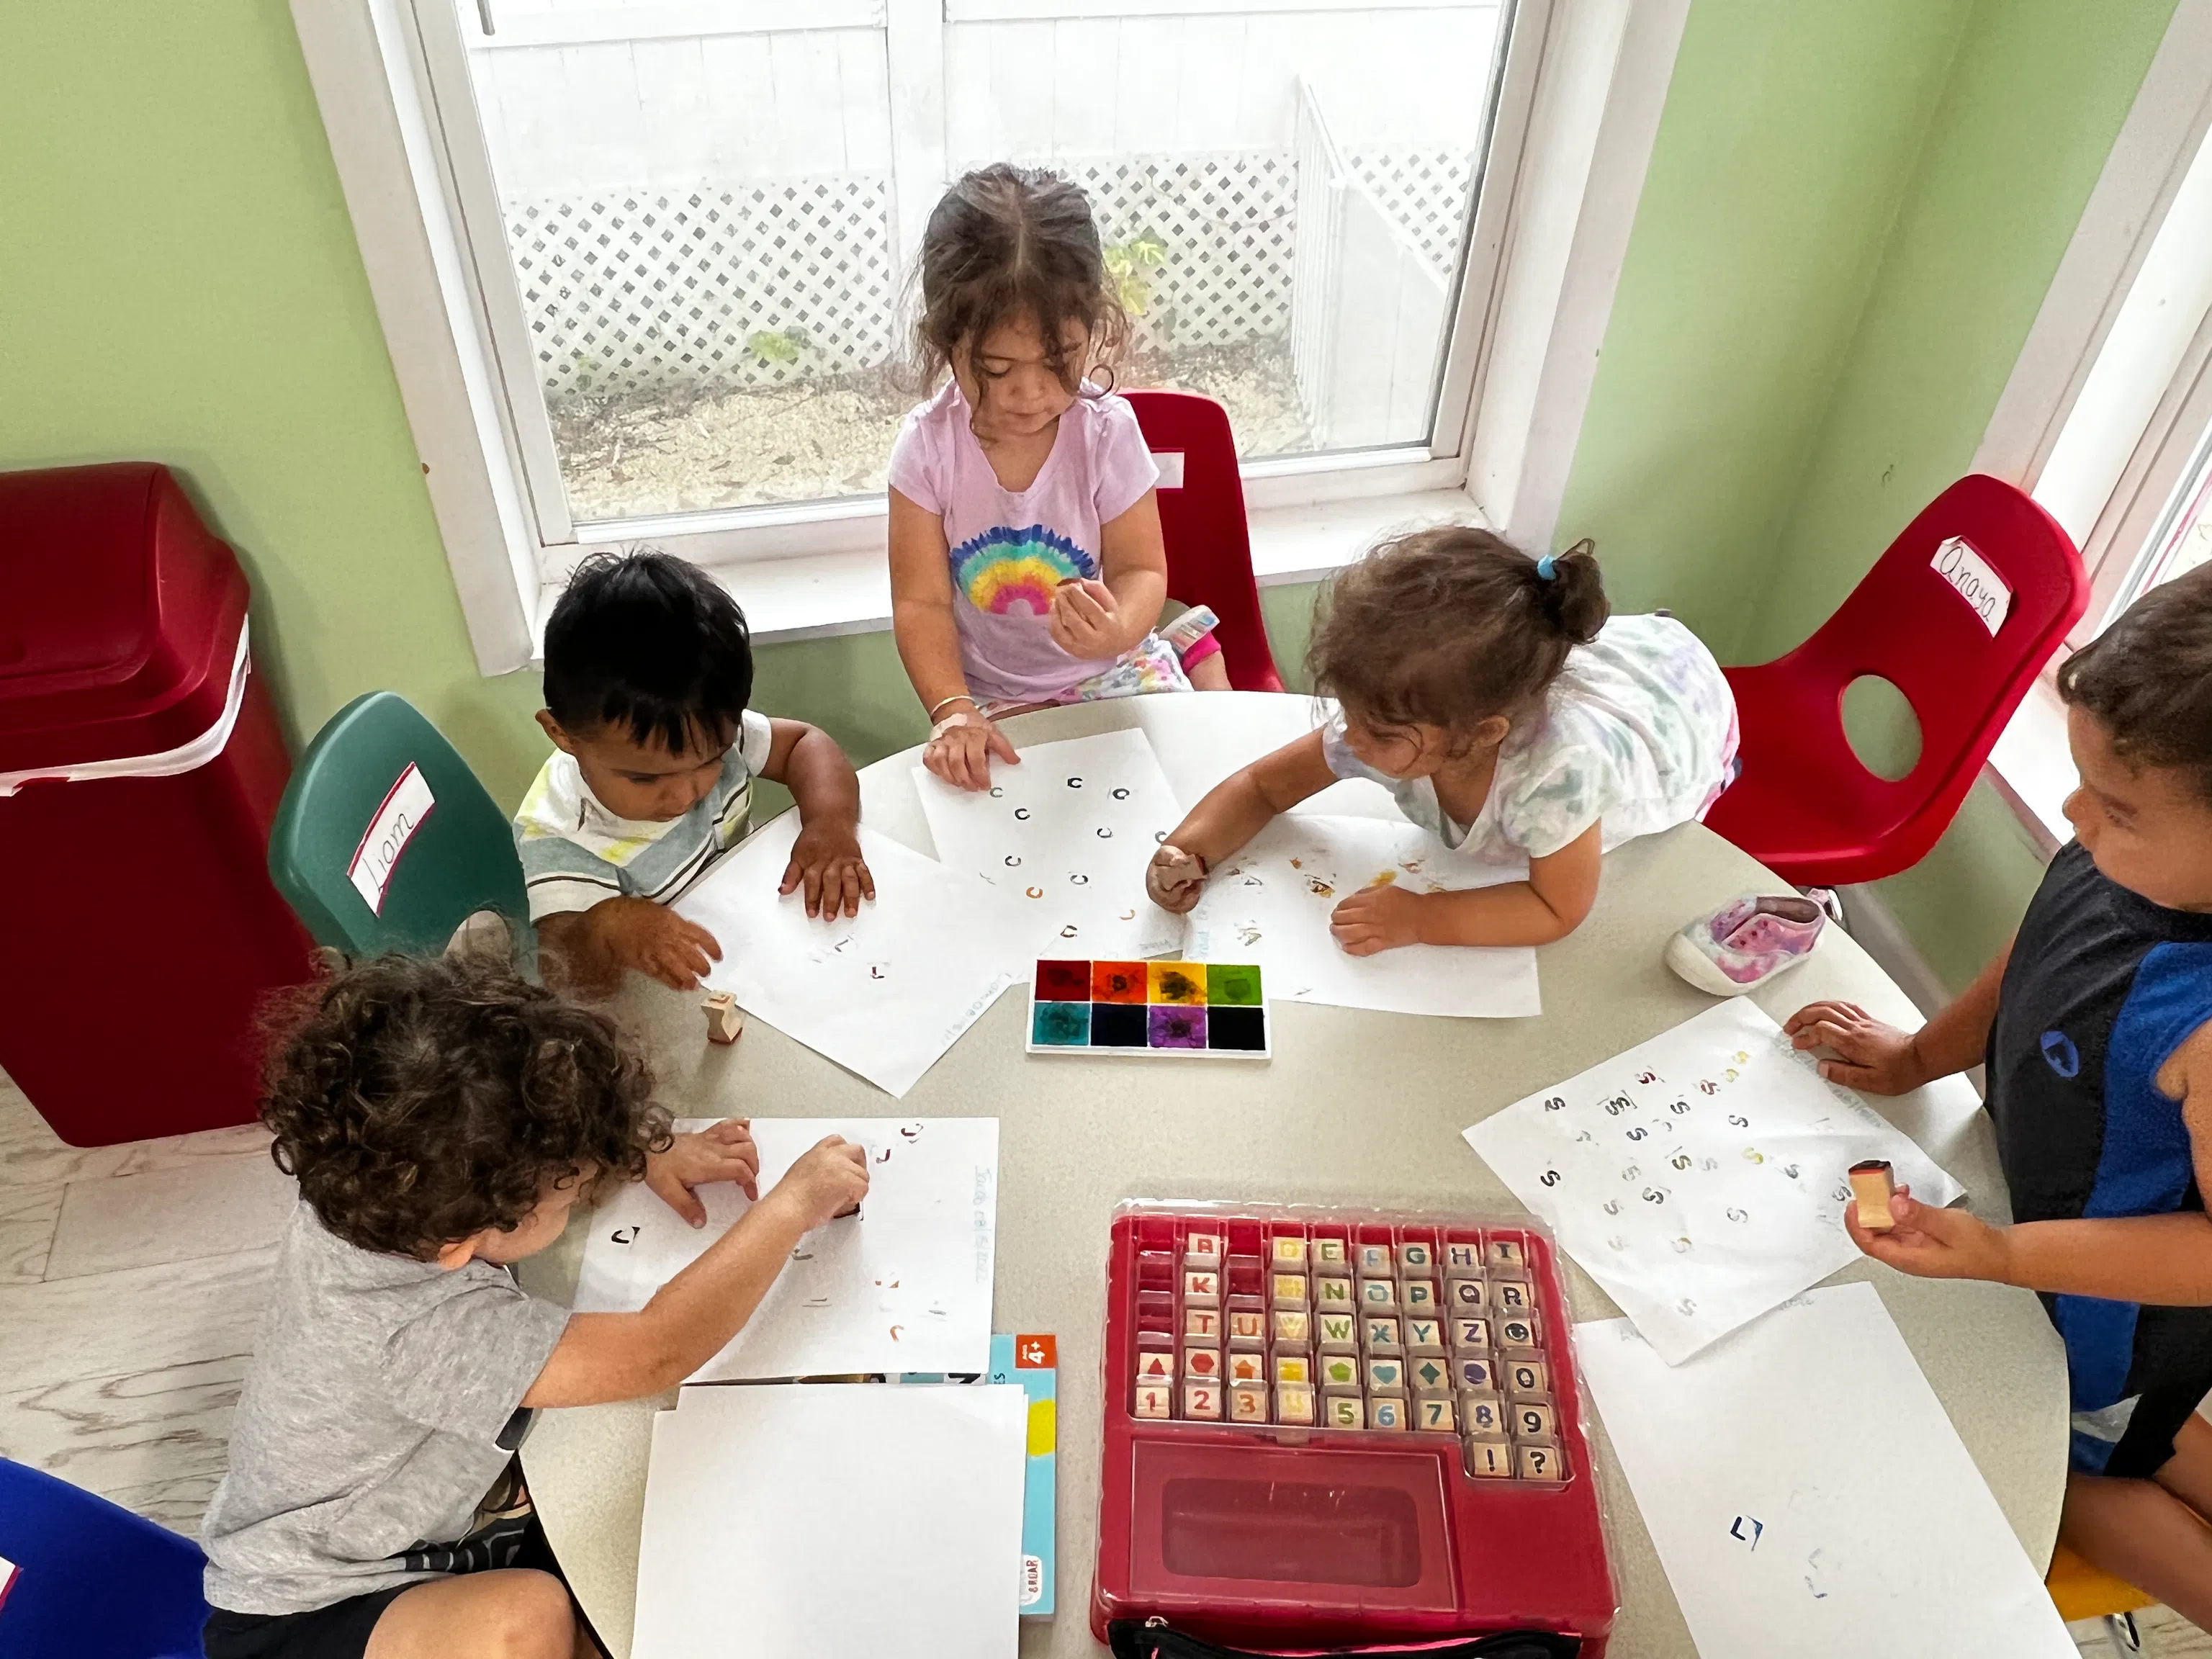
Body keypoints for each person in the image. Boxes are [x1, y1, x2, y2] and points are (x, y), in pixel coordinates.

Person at [198, 952, 869, 1659]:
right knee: (533, 1615)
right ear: (468, 1232)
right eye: (572, 1189)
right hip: (306, 1615)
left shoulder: (368, 1173)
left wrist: (643, 1150)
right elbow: (656, 1352)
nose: (582, 1191)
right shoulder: (422, 1332)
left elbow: (492, 1120)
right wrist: (792, 1206)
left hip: (417, 1536)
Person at [1786, 563, 2212, 1624]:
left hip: (2105, 1307)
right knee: (2140, 1429)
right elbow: (2036, 959)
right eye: (2081, 781)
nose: (2073, 814)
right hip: (2027, 1225)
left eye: (2115, 808)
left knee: (2061, 1470)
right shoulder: (2128, 857)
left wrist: (2006, 1257)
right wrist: (1917, 1057)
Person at [1146, 526, 1737, 950]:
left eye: (1378, 731)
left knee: (1648, 826)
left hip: (1681, 711)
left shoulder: (1559, 775)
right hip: (1589, 675)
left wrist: (1422, 919)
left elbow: (1558, 908)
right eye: (1351, 712)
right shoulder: (1395, 714)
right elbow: (1262, 786)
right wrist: (1189, 851)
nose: (1352, 738)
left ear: (1481, 734)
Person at [886, 163, 1230, 794]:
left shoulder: (1106, 432)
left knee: (1189, 787)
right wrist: (951, 707)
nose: (1031, 392)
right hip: (993, 692)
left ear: (1091, 330)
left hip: (1113, 668)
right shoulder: (927, 448)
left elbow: (1141, 570)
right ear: (945, 337)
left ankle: (1180, 646)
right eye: (996, 367)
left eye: (1059, 360)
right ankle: (1192, 648)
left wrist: (1120, 629)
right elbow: (921, 604)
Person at [513, 549, 872, 992]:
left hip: (753, 941)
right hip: (663, 993)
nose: (687, 795)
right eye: (645, 779)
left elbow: (804, 743)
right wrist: (607, 929)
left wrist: (829, 820)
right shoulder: (559, 833)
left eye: (711, 761)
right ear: (563, 735)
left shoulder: (697, 732)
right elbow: (565, 974)